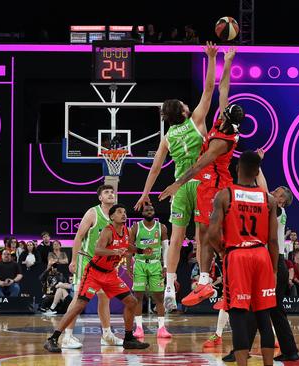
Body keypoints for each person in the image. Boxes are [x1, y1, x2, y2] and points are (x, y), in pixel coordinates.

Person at [135, 42, 219, 311]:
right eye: (184, 104)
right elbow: (209, 90)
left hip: (178, 187)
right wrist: (211, 58)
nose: (187, 104)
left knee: (175, 237)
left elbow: (156, 168)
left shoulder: (168, 137)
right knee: (203, 232)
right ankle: (204, 278)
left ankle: (170, 284)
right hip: (201, 182)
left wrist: (145, 193)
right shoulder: (196, 121)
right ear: (183, 112)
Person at [159, 46, 238, 306]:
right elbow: (222, 90)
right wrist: (227, 63)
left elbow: (198, 166)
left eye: (226, 112)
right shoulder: (218, 124)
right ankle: (210, 282)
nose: (222, 110)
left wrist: (176, 183)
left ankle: (211, 281)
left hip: (215, 183)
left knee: (207, 235)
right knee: (204, 234)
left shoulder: (223, 138)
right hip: (206, 184)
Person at [199, 150, 279, 366]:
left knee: (238, 313)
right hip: (262, 254)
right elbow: (273, 240)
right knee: (264, 314)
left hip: (237, 255)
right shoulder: (269, 199)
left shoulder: (225, 195)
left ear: (237, 168)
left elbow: (212, 234)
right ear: (257, 172)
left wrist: (223, 251)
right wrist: (273, 268)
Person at [44, 204, 150, 352]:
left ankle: (128, 338)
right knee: (79, 305)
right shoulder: (107, 231)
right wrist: (114, 251)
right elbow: (98, 250)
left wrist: (140, 250)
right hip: (94, 273)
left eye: (125, 212)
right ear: (112, 217)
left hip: (111, 274)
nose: (124, 214)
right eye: (120, 212)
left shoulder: (126, 231)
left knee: (131, 301)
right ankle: (53, 339)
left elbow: (128, 246)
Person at [65, 185, 121, 348]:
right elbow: (78, 236)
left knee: (105, 298)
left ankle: (107, 335)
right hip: (87, 261)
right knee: (78, 299)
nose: (111, 194)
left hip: (104, 265)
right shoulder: (93, 213)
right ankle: (67, 336)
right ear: (100, 198)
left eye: (112, 192)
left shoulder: (117, 216)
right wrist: (73, 260)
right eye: (106, 192)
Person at [126, 202, 171, 338]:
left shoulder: (161, 227)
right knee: (138, 297)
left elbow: (166, 249)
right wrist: (129, 266)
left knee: (159, 297)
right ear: (143, 212)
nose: (150, 211)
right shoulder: (135, 227)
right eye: (147, 210)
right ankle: (139, 328)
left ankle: (162, 328)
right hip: (139, 263)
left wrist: (166, 266)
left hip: (155, 264)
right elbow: (129, 248)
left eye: (151, 209)